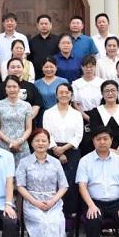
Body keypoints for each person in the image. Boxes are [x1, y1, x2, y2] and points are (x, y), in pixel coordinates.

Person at [17, 128, 68, 237]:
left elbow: (64, 185)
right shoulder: (24, 162)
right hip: (32, 203)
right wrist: (35, 202)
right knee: (42, 222)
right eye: (37, 140)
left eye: (44, 140)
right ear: (31, 143)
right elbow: (20, 186)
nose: (40, 143)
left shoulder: (55, 162)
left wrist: (53, 201)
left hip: (53, 202)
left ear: (48, 143)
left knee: (56, 221)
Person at [43, 83, 83, 215]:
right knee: (53, 182)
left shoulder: (77, 114)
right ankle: (52, 211)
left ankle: (69, 215)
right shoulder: (48, 113)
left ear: (71, 95)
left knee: (70, 182)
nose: (64, 95)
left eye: (67, 92)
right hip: (52, 150)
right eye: (61, 92)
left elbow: (78, 135)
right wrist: (57, 150)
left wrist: (64, 149)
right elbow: (47, 134)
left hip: (72, 151)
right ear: (56, 95)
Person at [86, 80, 119, 165]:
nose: (110, 93)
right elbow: (94, 133)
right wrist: (107, 150)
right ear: (102, 93)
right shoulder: (95, 112)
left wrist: (118, 151)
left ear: (118, 92)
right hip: (100, 151)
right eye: (107, 91)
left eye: (113, 90)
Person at [0, 75, 33, 167]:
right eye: (9, 87)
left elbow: (29, 128)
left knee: (22, 175)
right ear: (5, 89)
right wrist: (9, 141)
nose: (12, 89)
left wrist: (19, 141)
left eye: (14, 86)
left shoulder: (27, 105)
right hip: (3, 144)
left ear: (19, 88)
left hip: (21, 145)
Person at [72, 56, 104, 128]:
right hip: (82, 116)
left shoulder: (101, 82)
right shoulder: (76, 84)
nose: (88, 69)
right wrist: (86, 117)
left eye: (91, 66)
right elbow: (75, 104)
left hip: (100, 116)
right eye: (86, 67)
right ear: (82, 67)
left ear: (95, 67)